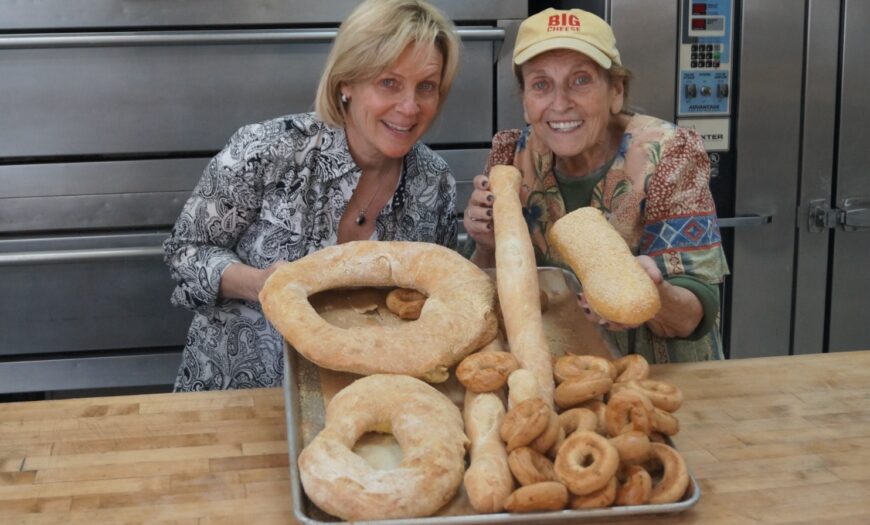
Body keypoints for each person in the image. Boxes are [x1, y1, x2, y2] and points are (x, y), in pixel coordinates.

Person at [164, 0, 461, 391]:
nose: (409, 107)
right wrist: (257, 283)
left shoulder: (434, 182)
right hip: (234, 396)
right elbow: (186, 251)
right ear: (346, 85)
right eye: (389, 82)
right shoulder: (266, 150)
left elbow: (433, 300)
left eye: (426, 87)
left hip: (358, 400)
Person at [463, 8, 729, 363]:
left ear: (616, 91)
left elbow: (695, 312)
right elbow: (489, 294)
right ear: (526, 101)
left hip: (667, 384)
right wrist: (484, 245)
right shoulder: (511, 158)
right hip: (563, 378)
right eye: (541, 84)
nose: (560, 103)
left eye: (580, 80)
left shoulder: (668, 155)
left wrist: (655, 295)